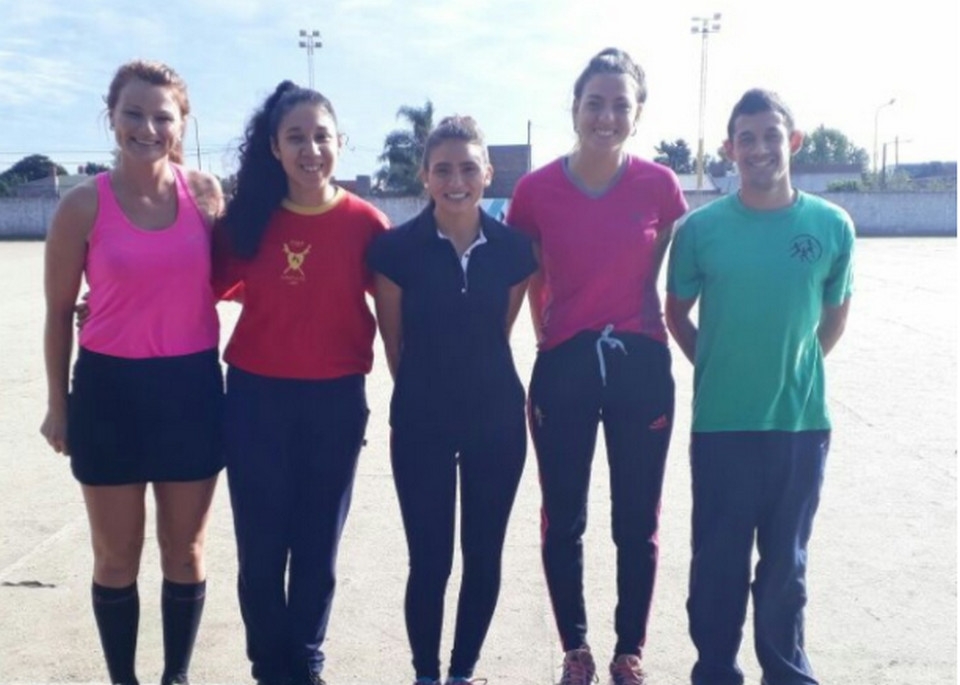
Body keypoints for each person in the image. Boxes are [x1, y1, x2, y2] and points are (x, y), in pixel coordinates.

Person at [506, 48, 687, 685]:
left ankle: (628, 650)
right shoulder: (534, 191)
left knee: (637, 519)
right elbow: (530, 277)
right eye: (594, 103)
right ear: (575, 108)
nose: (605, 116)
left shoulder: (660, 186)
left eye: (619, 105)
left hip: (641, 365)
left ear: (637, 114)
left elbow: (664, 273)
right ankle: (576, 648)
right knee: (564, 515)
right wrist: (555, 340)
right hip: (565, 364)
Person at [40, 60, 224, 685]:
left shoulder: (205, 195)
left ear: (182, 124)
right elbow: (58, 311)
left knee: (185, 552)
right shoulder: (81, 206)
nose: (148, 128)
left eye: (162, 116)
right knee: (116, 557)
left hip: (190, 390)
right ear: (111, 118)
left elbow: (238, 276)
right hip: (109, 394)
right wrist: (59, 405)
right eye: (133, 114)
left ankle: (177, 677)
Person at [665, 88, 854, 685]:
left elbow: (834, 317)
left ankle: (787, 672)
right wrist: (719, 365)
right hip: (722, 427)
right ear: (730, 149)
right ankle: (716, 670)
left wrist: (791, 368)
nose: (759, 148)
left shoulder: (832, 226)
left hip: (800, 427)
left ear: (792, 141)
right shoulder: (701, 230)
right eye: (746, 138)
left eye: (771, 135)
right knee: (717, 566)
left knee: (784, 569)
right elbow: (676, 314)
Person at [214, 81, 389, 685]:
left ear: (340, 142)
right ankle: (270, 666)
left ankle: (307, 660)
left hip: (335, 403)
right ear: (274, 147)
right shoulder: (247, 222)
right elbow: (189, 288)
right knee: (261, 549)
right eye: (295, 138)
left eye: (321, 136)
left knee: (317, 547)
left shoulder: (366, 224)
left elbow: (401, 307)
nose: (310, 150)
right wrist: (109, 304)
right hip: (255, 399)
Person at [368, 116, 536, 685]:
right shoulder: (395, 250)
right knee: (430, 561)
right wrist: (427, 393)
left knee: (483, 556)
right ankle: (426, 674)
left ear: (487, 172)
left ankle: (462, 672)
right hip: (421, 422)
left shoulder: (514, 250)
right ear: (425, 176)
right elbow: (394, 343)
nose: (456, 181)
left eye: (468, 168)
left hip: (497, 422)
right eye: (443, 169)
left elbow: (499, 330)